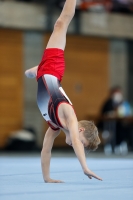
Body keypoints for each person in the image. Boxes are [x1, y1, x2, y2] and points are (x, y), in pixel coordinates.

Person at [25, 0, 102, 183]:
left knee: (29, 73)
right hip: (53, 68)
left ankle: (36, 70)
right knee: (61, 23)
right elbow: (75, 141)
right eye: (83, 143)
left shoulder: (55, 127)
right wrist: (85, 167)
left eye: (82, 147)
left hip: (44, 74)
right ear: (80, 129)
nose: (78, 145)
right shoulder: (70, 116)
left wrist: (47, 178)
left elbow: (46, 150)